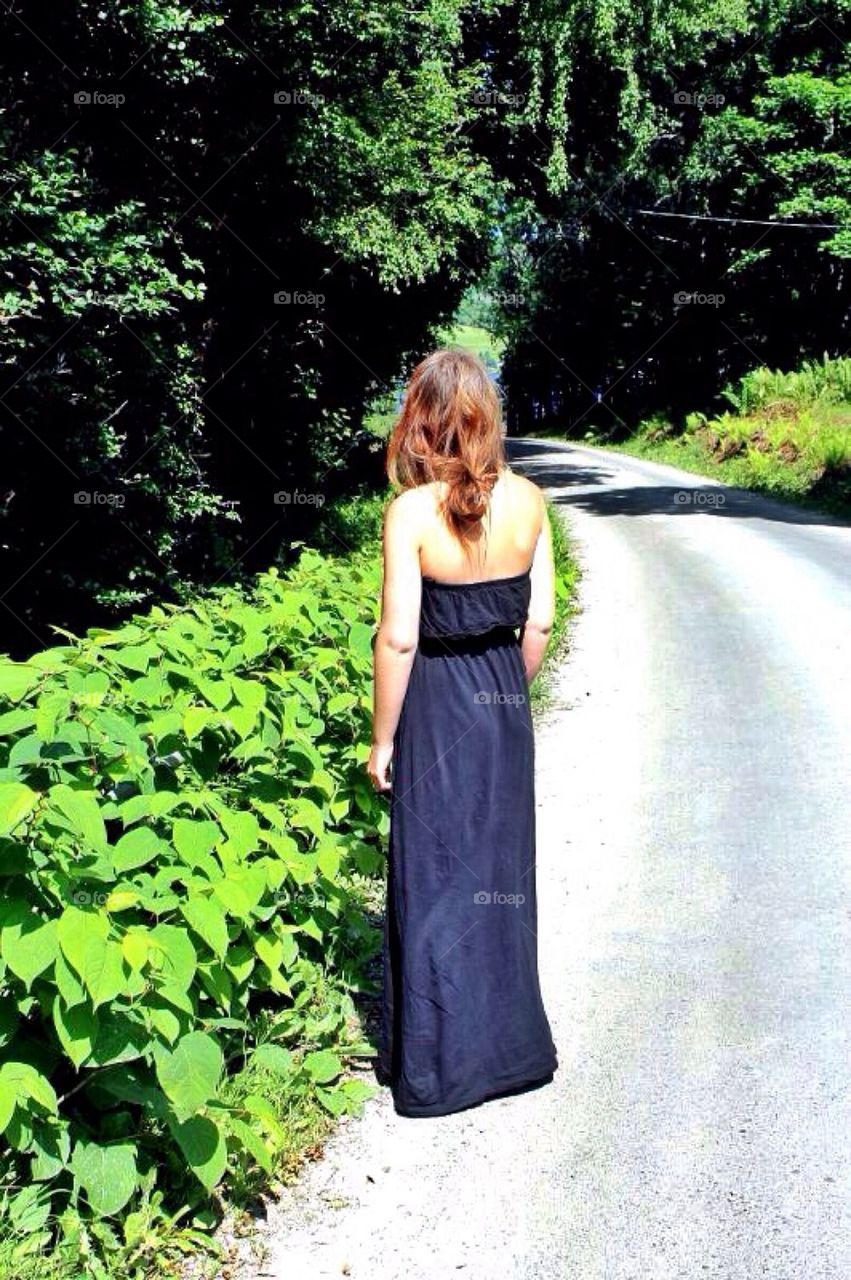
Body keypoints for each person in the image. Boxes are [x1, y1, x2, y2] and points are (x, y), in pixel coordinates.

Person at [367, 346, 559, 1119]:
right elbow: (539, 620)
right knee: (498, 875)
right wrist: (507, 691)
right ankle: (512, 1052)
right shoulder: (532, 501)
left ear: (420, 418)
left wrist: (383, 739)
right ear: (488, 414)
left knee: (436, 877)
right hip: (501, 704)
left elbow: (399, 640)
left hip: (436, 703)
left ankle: (443, 1068)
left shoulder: (412, 513)